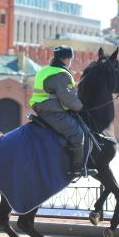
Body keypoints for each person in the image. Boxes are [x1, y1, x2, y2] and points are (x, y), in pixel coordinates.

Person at [29, 45, 84, 177]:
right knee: (77, 134)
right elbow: (68, 99)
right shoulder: (61, 74)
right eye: (70, 59)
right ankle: (76, 169)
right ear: (67, 59)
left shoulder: (45, 70)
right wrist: (82, 107)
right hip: (52, 111)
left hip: (41, 108)